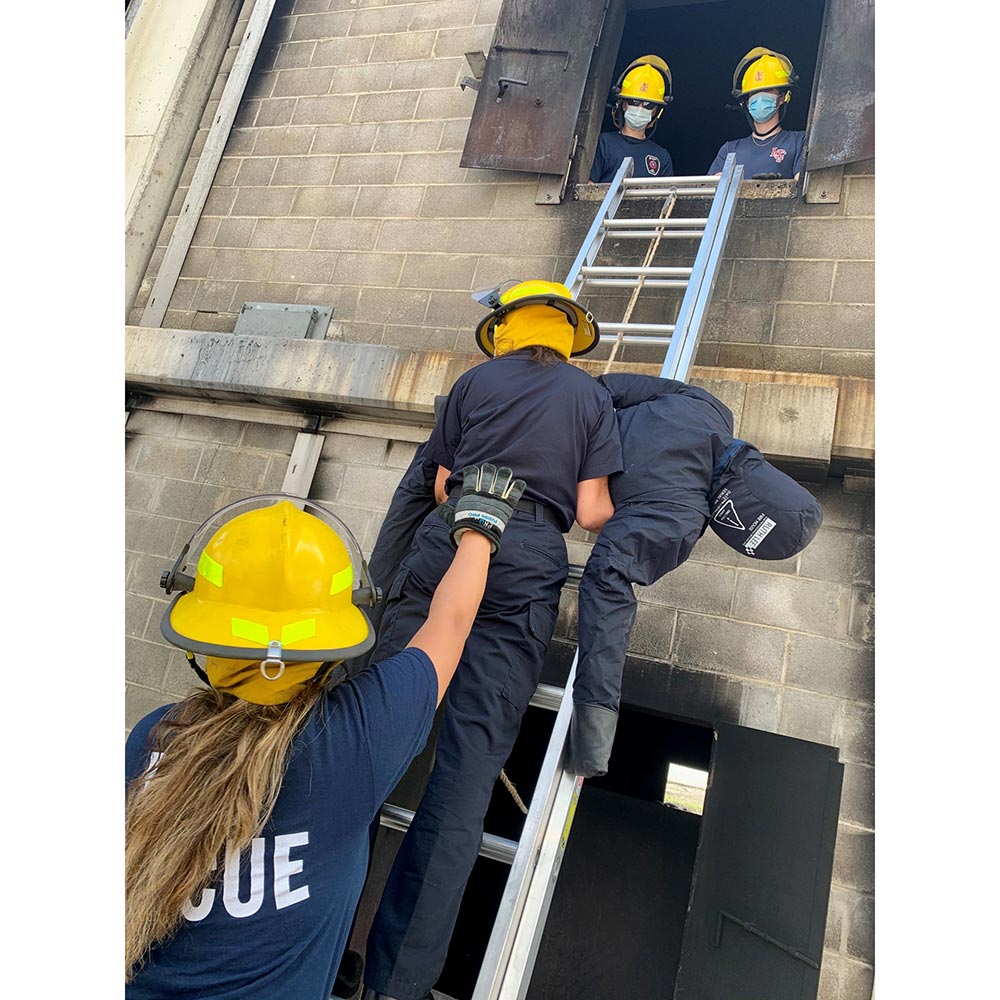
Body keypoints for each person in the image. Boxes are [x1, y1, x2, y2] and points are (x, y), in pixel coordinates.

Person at [124, 477, 528, 1000]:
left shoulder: (153, 739)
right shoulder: (356, 739)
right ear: (332, 643)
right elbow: (448, 625)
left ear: (200, 634)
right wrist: (481, 527)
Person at [360, 280, 624, 1000]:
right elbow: (594, 510)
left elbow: (443, 483)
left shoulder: (473, 381)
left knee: (367, 737)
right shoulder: (593, 399)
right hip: (532, 552)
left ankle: (310, 947)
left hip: (454, 537)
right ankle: (397, 988)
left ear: (507, 328)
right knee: (466, 778)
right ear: (569, 334)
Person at [565, 374, 824, 778]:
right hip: (529, 462)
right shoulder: (678, 520)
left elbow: (602, 387)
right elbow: (606, 583)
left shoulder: (712, 408)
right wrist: (592, 738)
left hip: (525, 403)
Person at [708, 47, 806, 181]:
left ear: (782, 97)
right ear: (746, 103)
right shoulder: (729, 150)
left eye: (768, 91)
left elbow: (804, 185)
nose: (760, 98)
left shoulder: (799, 142)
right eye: (754, 94)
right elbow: (709, 191)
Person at [590, 54, 674, 183]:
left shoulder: (662, 157)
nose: (640, 108)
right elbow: (589, 187)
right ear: (623, 104)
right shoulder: (603, 143)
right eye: (634, 102)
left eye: (648, 105)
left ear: (656, 111)